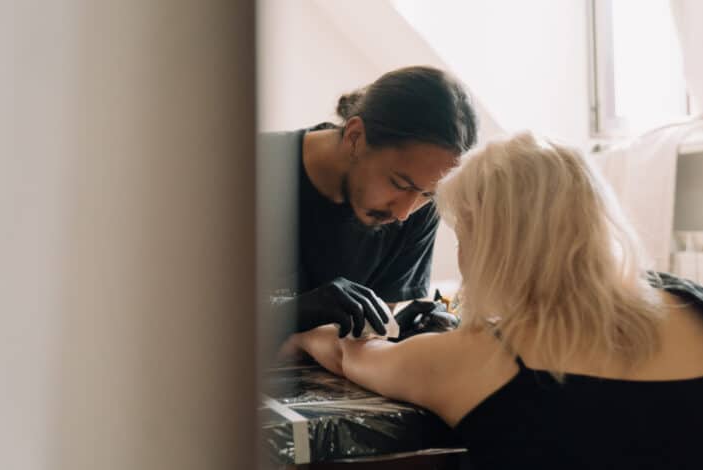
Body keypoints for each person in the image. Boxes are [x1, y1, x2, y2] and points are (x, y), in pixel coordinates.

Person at [286, 132, 703, 469]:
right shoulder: (689, 301)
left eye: (463, 238)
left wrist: (303, 330)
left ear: (490, 246)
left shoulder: (475, 358)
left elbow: (349, 355)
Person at [258, 66, 478, 345]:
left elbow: (369, 336)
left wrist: (404, 334)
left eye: (428, 195)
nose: (403, 213)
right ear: (355, 137)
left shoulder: (417, 209)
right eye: (399, 184)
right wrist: (288, 314)